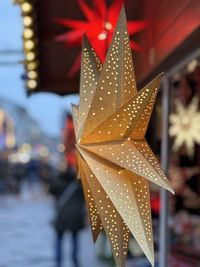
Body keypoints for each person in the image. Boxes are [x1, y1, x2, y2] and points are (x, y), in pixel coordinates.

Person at [49, 163, 85, 267]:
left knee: (59, 239)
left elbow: (51, 191)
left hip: (61, 215)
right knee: (75, 239)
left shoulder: (57, 180)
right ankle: (75, 261)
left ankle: (58, 261)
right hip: (76, 216)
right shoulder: (80, 182)